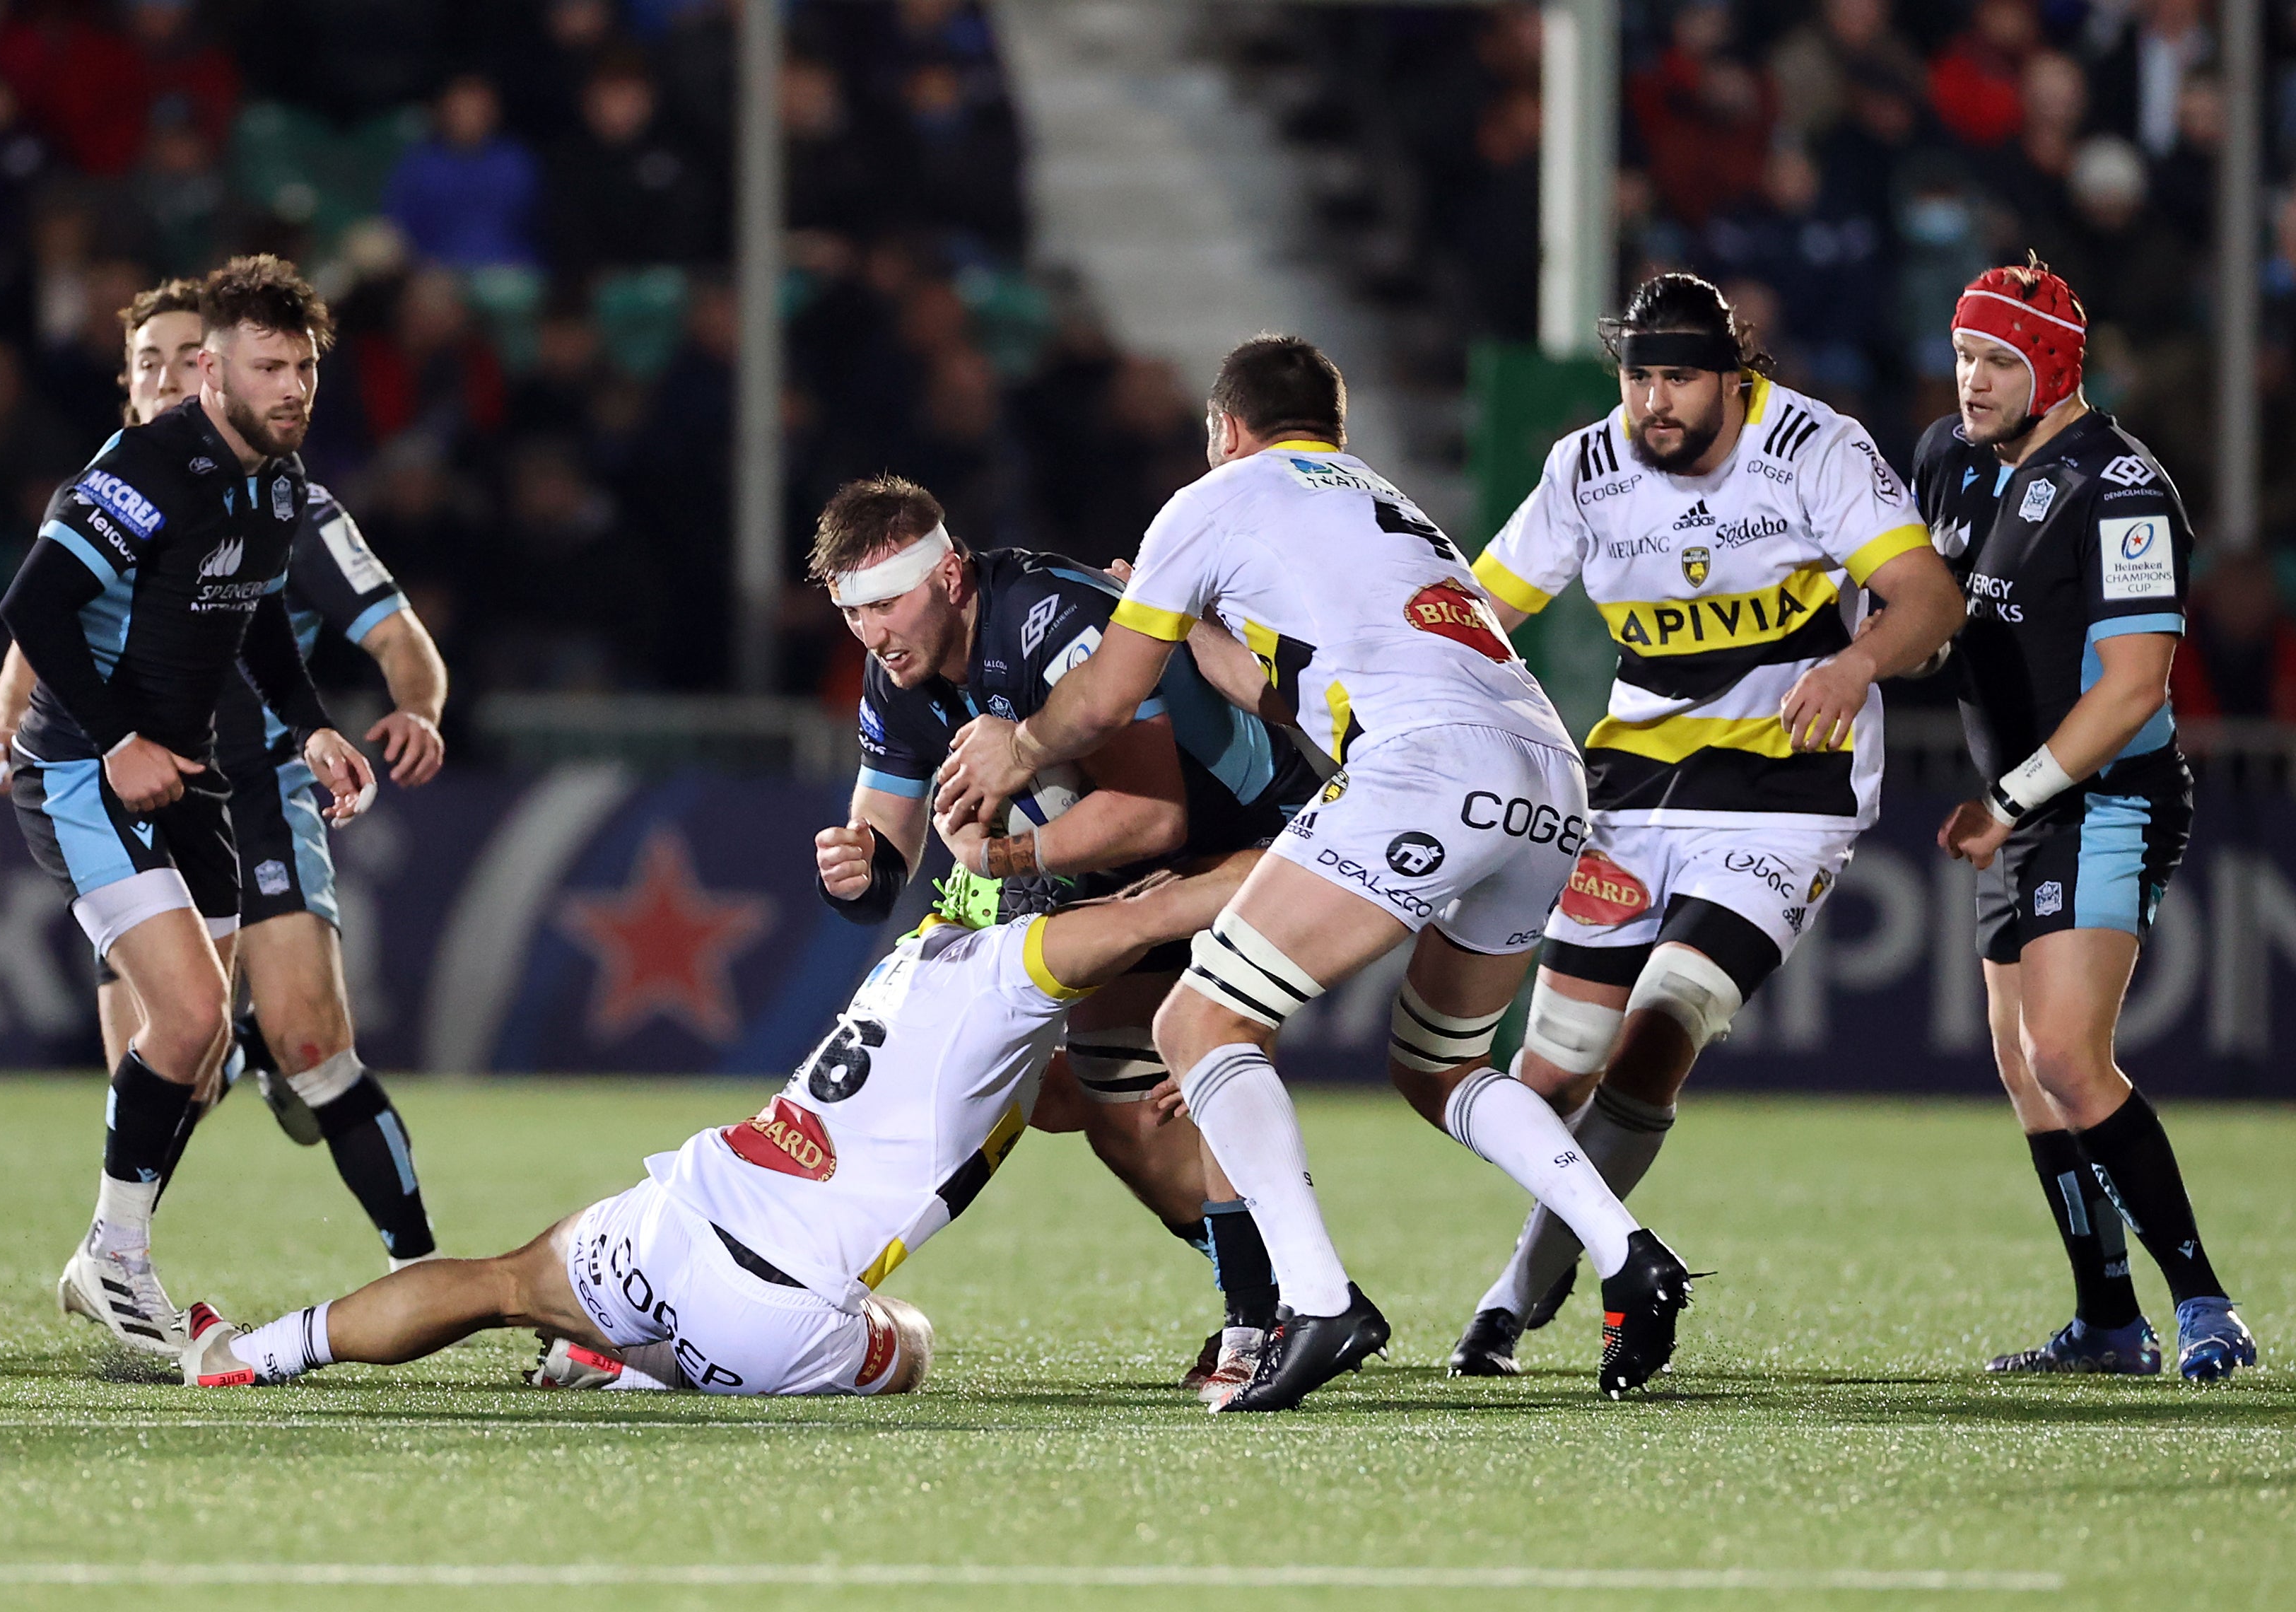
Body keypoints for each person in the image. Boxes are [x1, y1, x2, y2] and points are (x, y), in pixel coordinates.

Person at [937, 334, 1694, 1411]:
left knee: (1196, 1028)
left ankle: (1318, 1300)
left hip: (1422, 765)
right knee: (1440, 1066)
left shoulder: (1209, 500)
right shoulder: (1382, 506)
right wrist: (1199, 627)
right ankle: (1627, 1255)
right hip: (1543, 772)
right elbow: (1295, 698)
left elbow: (1103, 698)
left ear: (1224, 431)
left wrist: (1018, 747)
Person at [178, 853, 1265, 1396]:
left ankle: (250, 1355)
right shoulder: (1029, 968)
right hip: (774, 1317)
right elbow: (1167, 911)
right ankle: (642, 1362)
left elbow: (1049, 1100)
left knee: (498, 1285)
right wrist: (1329, 842)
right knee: (914, 1343)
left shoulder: (924, 949)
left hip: (672, 1216)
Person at [1450, 273, 1964, 1375]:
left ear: (1734, 380)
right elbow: (1485, 611)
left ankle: (1511, 1298)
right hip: (1631, 787)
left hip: (1785, 792)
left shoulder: (1815, 447)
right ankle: (1602, 1259)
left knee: (1659, 1028)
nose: (1654, 404)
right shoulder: (1585, 468)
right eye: (1639, 378)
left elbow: (1929, 597)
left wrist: (1856, 659)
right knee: (1544, 1080)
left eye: (1678, 378)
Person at [0, 278, 452, 1275]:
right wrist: (3, 723)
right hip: (122, 775)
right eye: (145, 362)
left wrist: (368, 717)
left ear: (208, 368)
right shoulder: (125, 483)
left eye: (297, 369)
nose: (165, 378)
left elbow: (382, 632)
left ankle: (417, 1268)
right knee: (174, 1058)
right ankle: (123, 1257)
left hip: (248, 789)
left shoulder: (284, 490)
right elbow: (48, 613)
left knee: (308, 1040)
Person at [808, 473, 1317, 1401]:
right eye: (853, 613)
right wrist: (858, 872)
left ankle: (1263, 1315)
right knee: (1096, 1117)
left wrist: (1008, 860)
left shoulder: (1047, 619)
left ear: (950, 576)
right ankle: (1294, 1283)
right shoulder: (897, 680)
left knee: (1200, 1064)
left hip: (1255, 849)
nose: (874, 634)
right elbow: (885, 843)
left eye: (888, 603)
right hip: (1115, 876)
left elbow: (1152, 814)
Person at [1911, 260, 2256, 1380]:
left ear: (2054, 366)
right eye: (1964, 354)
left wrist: (2009, 800)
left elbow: (2134, 687)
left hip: (2102, 795)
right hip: (2013, 807)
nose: (1971, 380)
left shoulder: (2122, 487)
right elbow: (1925, 617)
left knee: (2064, 1051)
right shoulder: (1946, 463)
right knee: (2023, 1068)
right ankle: (2109, 1321)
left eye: (1999, 361)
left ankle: (2203, 1302)